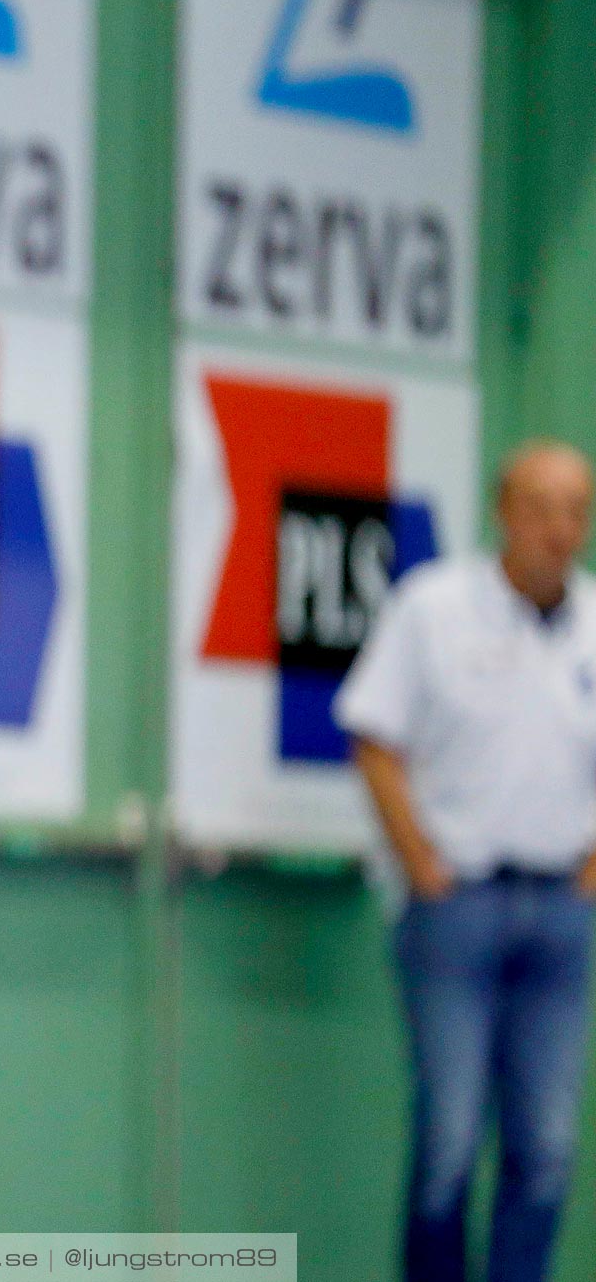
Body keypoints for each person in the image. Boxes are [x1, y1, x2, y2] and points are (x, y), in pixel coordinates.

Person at [337, 441, 596, 1282]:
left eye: (577, 510)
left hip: (563, 909)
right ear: (504, 511)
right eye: (543, 508)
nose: (561, 530)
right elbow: (375, 735)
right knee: (448, 1140)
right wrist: (418, 858)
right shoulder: (433, 606)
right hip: (459, 905)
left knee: (547, 1147)